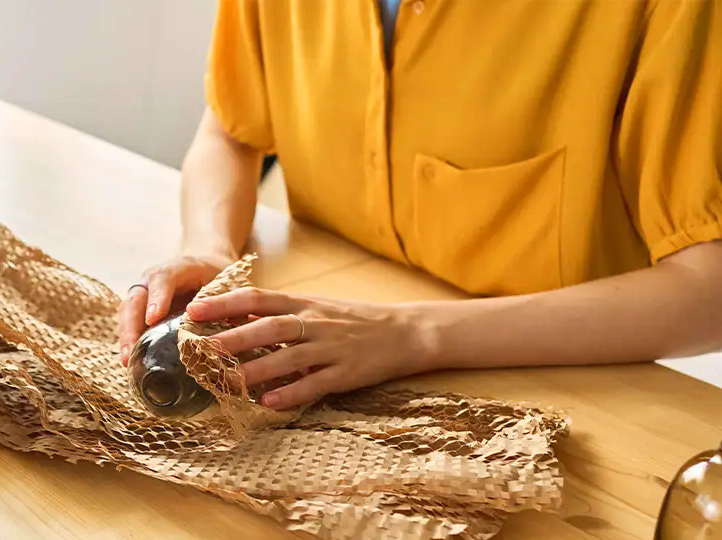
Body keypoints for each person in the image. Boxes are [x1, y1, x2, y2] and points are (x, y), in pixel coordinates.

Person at [118, 0, 722, 411]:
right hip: (326, 320)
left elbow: (710, 290)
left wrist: (416, 334)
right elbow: (231, 129)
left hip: (573, 392)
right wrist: (209, 246)